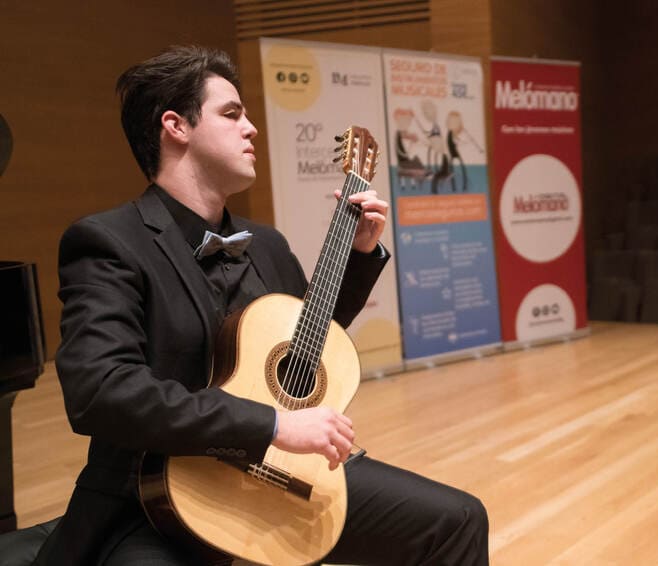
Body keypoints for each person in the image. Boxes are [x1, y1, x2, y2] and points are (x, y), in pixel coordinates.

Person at [33, 46, 488, 565]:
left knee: (457, 520)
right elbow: (101, 391)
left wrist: (359, 253)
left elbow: (302, 354)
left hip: (278, 471)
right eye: (232, 114)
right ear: (176, 126)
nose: (252, 128)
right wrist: (271, 425)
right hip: (151, 494)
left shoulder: (264, 244)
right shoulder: (109, 241)